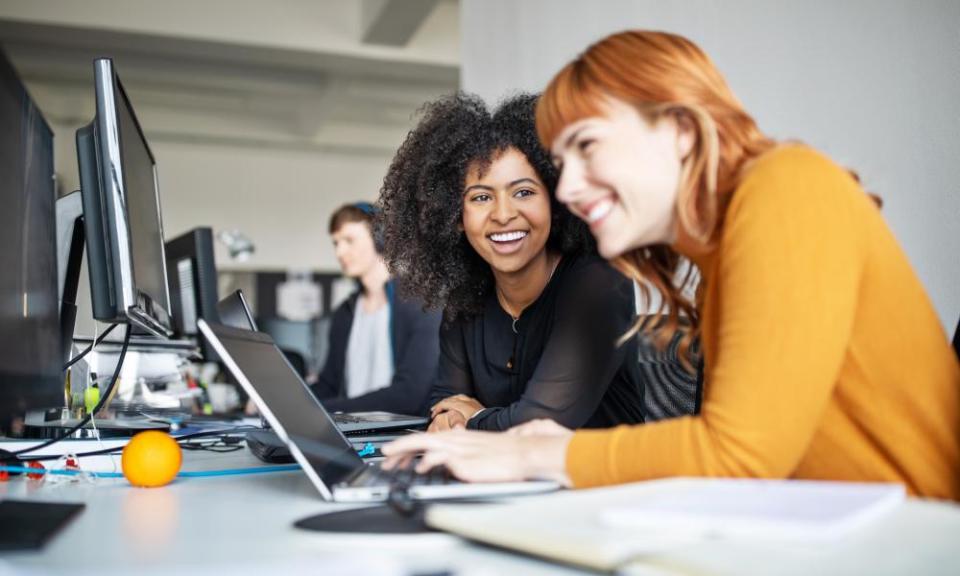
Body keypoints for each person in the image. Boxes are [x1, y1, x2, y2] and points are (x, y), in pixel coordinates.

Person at [382, 30, 960, 500]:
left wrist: (528, 451)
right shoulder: (727, 246)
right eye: (563, 163)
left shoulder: (786, 187)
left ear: (681, 131)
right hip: (809, 525)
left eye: (587, 147)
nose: (571, 188)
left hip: (907, 538)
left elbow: (737, 454)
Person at [378, 93, 649, 432]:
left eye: (523, 192)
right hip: (505, 481)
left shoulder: (598, 286)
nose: (504, 215)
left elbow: (541, 424)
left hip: (603, 482)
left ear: (556, 200)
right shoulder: (465, 301)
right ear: (456, 216)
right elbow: (445, 406)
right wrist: (453, 418)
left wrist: (474, 418)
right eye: (481, 197)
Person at [310, 202, 442, 415]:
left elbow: (409, 395)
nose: (340, 252)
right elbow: (328, 385)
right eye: (336, 243)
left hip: (399, 436)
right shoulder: (345, 312)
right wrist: (283, 405)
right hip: (349, 432)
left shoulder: (421, 305)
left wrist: (322, 411)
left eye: (349, 240)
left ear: (380, 239)